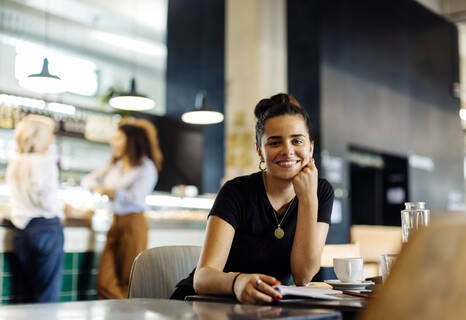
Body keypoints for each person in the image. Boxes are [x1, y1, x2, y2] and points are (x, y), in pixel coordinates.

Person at [171, 93, 334, 304]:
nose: (287, 151)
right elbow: (203, 277)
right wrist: (238, 282)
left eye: (297, 141)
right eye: (275, 143)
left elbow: (303, 276)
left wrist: (308, 199)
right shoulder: (236, 191)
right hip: (206, 303)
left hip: (263, 307)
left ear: (310, 147)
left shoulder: (321, 192)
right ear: (260, 152)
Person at [81, 118, 162, 299]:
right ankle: (126, 311)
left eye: (118, 138)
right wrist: (104, 190)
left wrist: (110, 192)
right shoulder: (115, 165)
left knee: (129, 280)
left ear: (130, 141)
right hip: (115, 221)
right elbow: (87, 180)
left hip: (134, 222)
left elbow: (135, 197)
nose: (113, 142)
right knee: (104, 282)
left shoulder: (145, 167)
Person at [6, 114, 64, 302]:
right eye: (49, 134)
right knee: (47, 296)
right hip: (46, 227)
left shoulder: (15, 162)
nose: (52, 139)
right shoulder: (44, 162)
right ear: (39, 136)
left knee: (28, 294)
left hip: (21, 231)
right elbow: (45, 200)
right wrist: (59, 209)